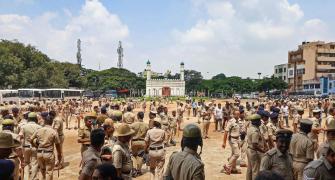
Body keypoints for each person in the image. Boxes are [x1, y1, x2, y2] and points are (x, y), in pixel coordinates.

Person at [30, 115, 62, 180]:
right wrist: (59, 156)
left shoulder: (39, 130)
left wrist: (35, 145)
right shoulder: (53, 132)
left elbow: (31, 139)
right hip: (49, 154)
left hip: (39, 153)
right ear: (52, 122)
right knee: (49, 172)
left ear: (44, 122)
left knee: (42, 171)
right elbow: (57, 145)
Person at [19, 112, 42, 180]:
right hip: (35, 147)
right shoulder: (39, 127)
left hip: (26, 147)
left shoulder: (24, 127)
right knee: (34, 163)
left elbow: (20, 136)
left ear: (28, 118)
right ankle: (33, 178)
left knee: (26, 163)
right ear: (35, 119)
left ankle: (26, 178)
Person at [246, 114, 266, 180]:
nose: (260, 122)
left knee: (250, 169)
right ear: (256, 121)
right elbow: (255, 145)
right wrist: (263, 151)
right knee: (256, 171)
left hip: (249, 149)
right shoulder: (255, 131)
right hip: (254, 152)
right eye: (259, 120)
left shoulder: (250, 128)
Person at [222, 110, 241, 174]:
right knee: (237, 154)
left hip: (238, 139)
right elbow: (226, 132)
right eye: (236, 114)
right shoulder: (231, 122)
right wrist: (224, 142)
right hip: (232, 139)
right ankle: (228, 166)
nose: (237, 116)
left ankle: (233, 168)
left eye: (238, 114)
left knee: (233, 154)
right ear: (233, 115)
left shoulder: (239, 121)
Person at [130, 112, 149, 176]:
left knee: (133, 156)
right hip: (142, 142)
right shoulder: (146, 125)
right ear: (143, 116)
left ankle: (134, 169)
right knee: (140, 157)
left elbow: (129, 131)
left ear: (138, 116)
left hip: (134, 142)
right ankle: (139, 170)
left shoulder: (133, 124)